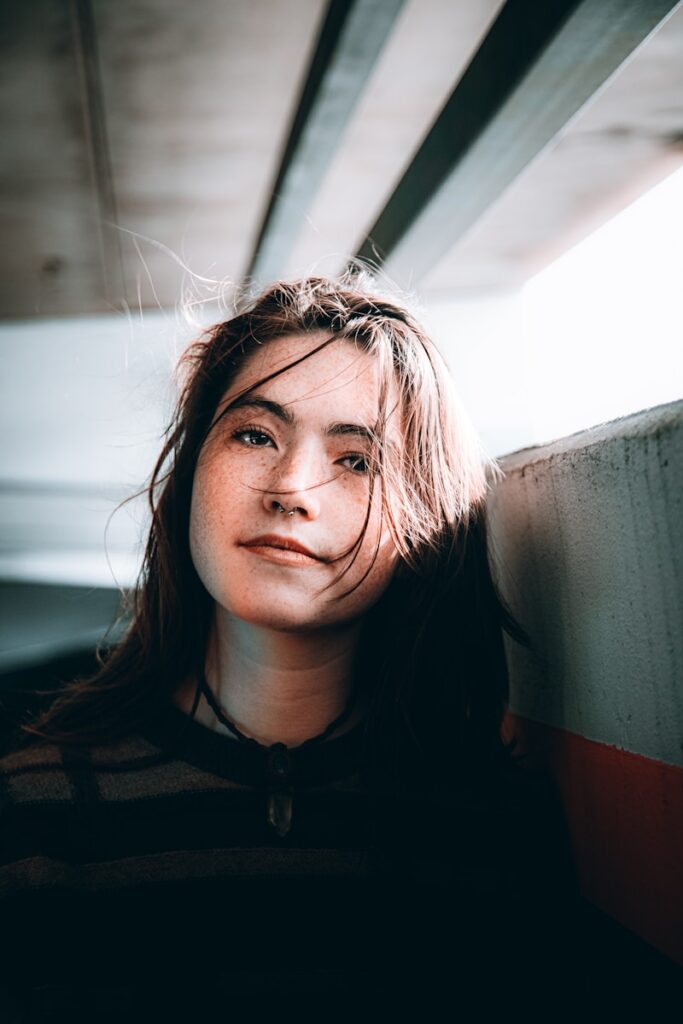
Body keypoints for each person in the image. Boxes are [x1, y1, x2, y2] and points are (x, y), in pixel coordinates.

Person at [0, 270, 578, 1020]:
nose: (292, 487)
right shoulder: (35, 812)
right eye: (253, 433)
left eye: (357, 459)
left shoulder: (493, 833)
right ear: (189, 475)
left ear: (424, 520)